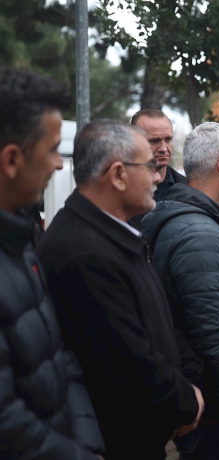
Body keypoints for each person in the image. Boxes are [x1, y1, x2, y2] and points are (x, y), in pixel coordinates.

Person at [37, 120, 205, 459]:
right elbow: (126, 360)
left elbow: (161, 324)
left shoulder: (115, 234)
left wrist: (190, 380)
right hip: (117, 441)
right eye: (149, 166)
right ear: (117, 175)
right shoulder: (82, 252)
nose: (158, 176)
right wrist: (184, 403)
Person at [142, 122, 219, 459]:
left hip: (209, 398)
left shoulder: (200, 222)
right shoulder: (199, 235)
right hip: (214, 407)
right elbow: (211, 332)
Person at [0, 66, 105, 460]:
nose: (59, 166)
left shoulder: (20, 239)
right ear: (12, 160)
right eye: (51, 150)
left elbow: (59, 353)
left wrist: (88, 442)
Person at [132, 108, 187, 200]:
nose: (163, 149)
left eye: (168, 139)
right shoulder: (117, 188)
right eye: (154, 141)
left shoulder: (187, 189)